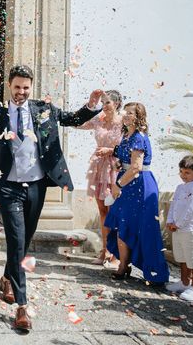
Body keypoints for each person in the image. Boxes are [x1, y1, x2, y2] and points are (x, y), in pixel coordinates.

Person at [0, 65, 103, 331]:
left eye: (26, 87)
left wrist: (91, 105)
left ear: (30, 87)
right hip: (9, 186)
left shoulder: (44, 109)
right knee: (17, 239)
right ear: (9, 87)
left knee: (25, 239)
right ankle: (22, 307)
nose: (21, 92)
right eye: (17, 87)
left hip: (36, 186)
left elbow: (71, 119)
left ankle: (6, 279)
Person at [105, 102, 169, 283]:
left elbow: (136, 168)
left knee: (135, 225)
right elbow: (127, 162)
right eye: (125, 112)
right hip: (127, 182)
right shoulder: (126, 135)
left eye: (130, 113)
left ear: (138, 116)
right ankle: (124, 264)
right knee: (120, 222)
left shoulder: (139, 137)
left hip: (139, 185)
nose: (126, 115)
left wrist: (118, 184)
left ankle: (133, 267)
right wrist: (119, 166)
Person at [76, 90, 123, 266]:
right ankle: (105, 251)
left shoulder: (123, 122)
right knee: (102, 210)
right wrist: (90, 105)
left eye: (107, 102)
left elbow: (128, 145)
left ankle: (117, 254)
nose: (104, 106)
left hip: (116, 169)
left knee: (114, 212)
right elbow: (77, 123)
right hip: (99, 168)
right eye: (102, 102)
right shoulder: (99, 119)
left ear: (117, 104)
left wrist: (110, 150)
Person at [165, 156, 193, 301]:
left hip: (192, 230)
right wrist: (170, 220)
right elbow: (174, 204)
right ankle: (184, 282)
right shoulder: (180, 187)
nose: (183, 175)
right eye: (181, 172)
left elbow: (192, 210)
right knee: (183, 258)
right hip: (178, 228)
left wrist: (179, 224)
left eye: (187, 173)